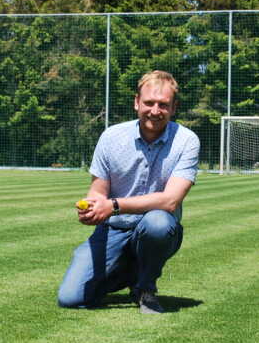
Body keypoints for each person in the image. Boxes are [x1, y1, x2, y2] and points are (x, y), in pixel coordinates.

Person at [57, 71, 200, 314]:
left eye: (163, 105)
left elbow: (170, 201)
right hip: (113, 228)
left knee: (157, 222)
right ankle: (129, 270)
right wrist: (92, 207)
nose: (155, 110)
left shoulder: (187, 141)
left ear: (174, 107)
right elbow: (98, 191)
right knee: (71, 298)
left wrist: (112, 206)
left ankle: (145, 289)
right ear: (136, 102)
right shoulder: (111, 137)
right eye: (149, 103)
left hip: (157, 227)